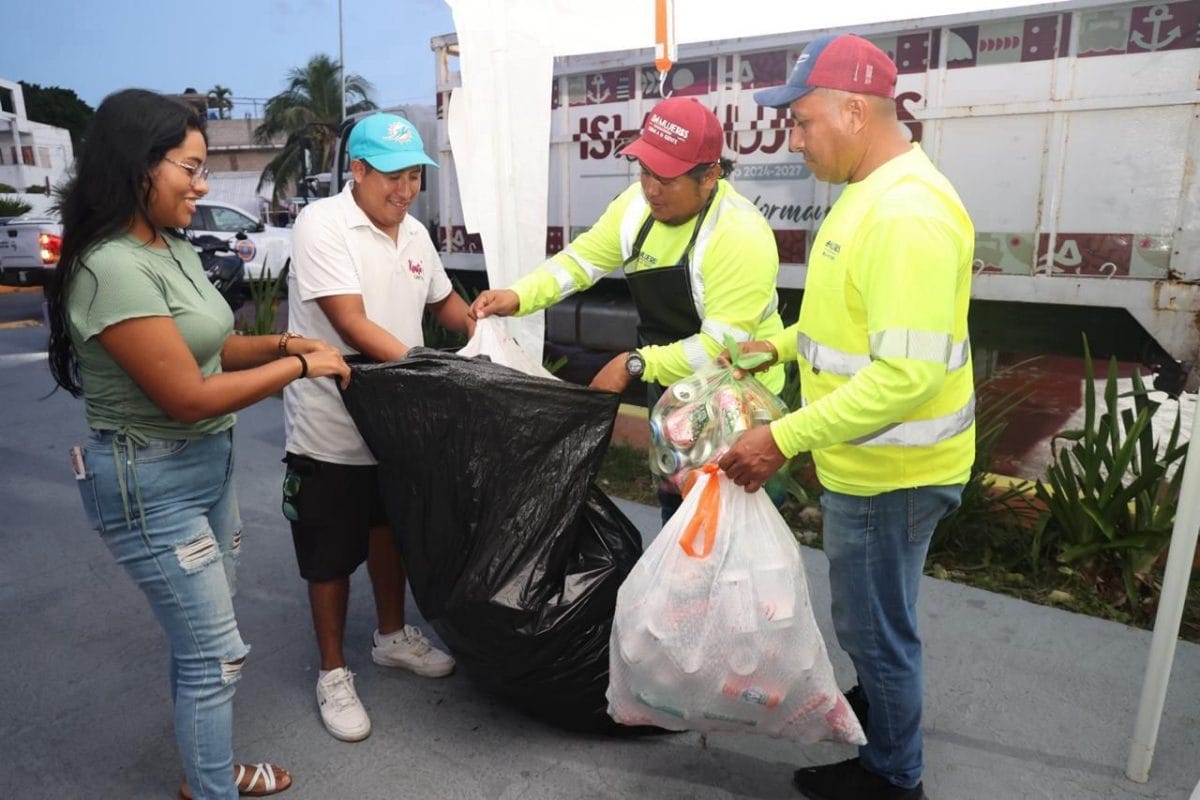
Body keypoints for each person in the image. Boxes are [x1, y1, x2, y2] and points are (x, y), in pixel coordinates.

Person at [45, 88, 351, 800]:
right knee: (216, 653)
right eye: (191, 167)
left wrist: (279, 340)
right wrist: (302, 367)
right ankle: (212, 787)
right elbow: (185, 397)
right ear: (139, 166)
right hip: (151, 484)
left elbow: (208, 350)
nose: (204, 184)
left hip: (207, 472)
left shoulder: (168, 246)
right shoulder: (112, 266)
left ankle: (207, 776)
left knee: (207, 650)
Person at [717, 34, 976, 800]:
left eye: (801, 123)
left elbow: (905, 374)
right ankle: (882, 710)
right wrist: (782, 344)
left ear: (854, 112)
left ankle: (894, 778)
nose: (793, 142)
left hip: (890, 471)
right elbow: (856, 327)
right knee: (879, 617)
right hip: (875, 463)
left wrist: (781, 437)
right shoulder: (871, 192)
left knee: (874, 629)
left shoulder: (905, 215)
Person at [470, 96, 786, 522]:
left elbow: (719, 349)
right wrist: (519, 295)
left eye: (667, 179)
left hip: (740, 402)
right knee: (677, 512)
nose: (651, 189)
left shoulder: (739, 234)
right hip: (674, 389)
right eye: (645, 172)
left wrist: (634, 365)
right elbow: (581, 261)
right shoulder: (635, 207)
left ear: (709, 176)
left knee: (732, 526)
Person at [281, 112, 473, 742]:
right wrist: (433, 376)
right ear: (357, 171)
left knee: (391, 530)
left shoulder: (414, 232)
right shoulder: (322, 225)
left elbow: (444, 305)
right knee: (330, 554)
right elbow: (351, 324)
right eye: (392, 176)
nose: (405, 189)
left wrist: (489, 331)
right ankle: (333, 671)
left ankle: (391, 636)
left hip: (398, 427)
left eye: (415, 174)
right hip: (330, 426)